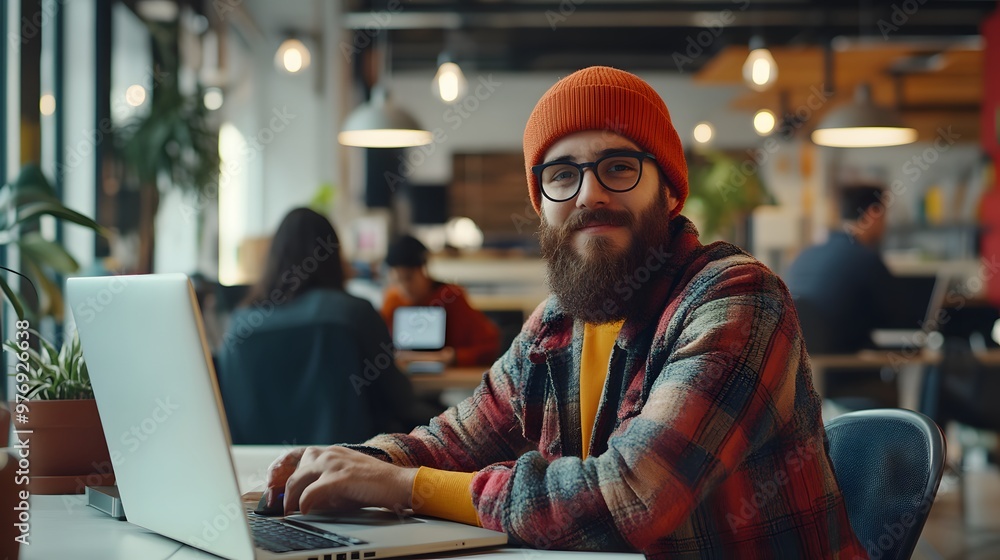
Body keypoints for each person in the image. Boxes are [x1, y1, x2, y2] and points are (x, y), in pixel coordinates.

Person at [262, 67, 866, 557]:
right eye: (562, 174)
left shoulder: (737, 299)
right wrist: (351, 464)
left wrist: (404, 487)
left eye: (619, 167)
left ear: (671, 190)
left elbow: (632, 498)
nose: (590, 193)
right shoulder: (557, 324)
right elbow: (453, 439)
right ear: (543, 204)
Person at [216, 208, 439, 444]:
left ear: (273, 259)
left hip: (260, 473)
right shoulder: (355, 314)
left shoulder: (239, 326)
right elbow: (399, 400)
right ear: (334, 255)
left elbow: (231, 416)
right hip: (350, 468)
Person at [784, 184, 903, 408]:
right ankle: (923, 439)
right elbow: (897, 318)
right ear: (873, 213)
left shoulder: (806, 255)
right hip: (846, 375)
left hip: (798, 380)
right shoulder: (866, 259)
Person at [380, 234, 501, 367]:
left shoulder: (449, 297)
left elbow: (489, 345)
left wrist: (453, 356)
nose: (404, 288)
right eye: (398, 281)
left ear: (424, 270)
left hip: (449, 380)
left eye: (409, 278)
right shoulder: (393, 301)